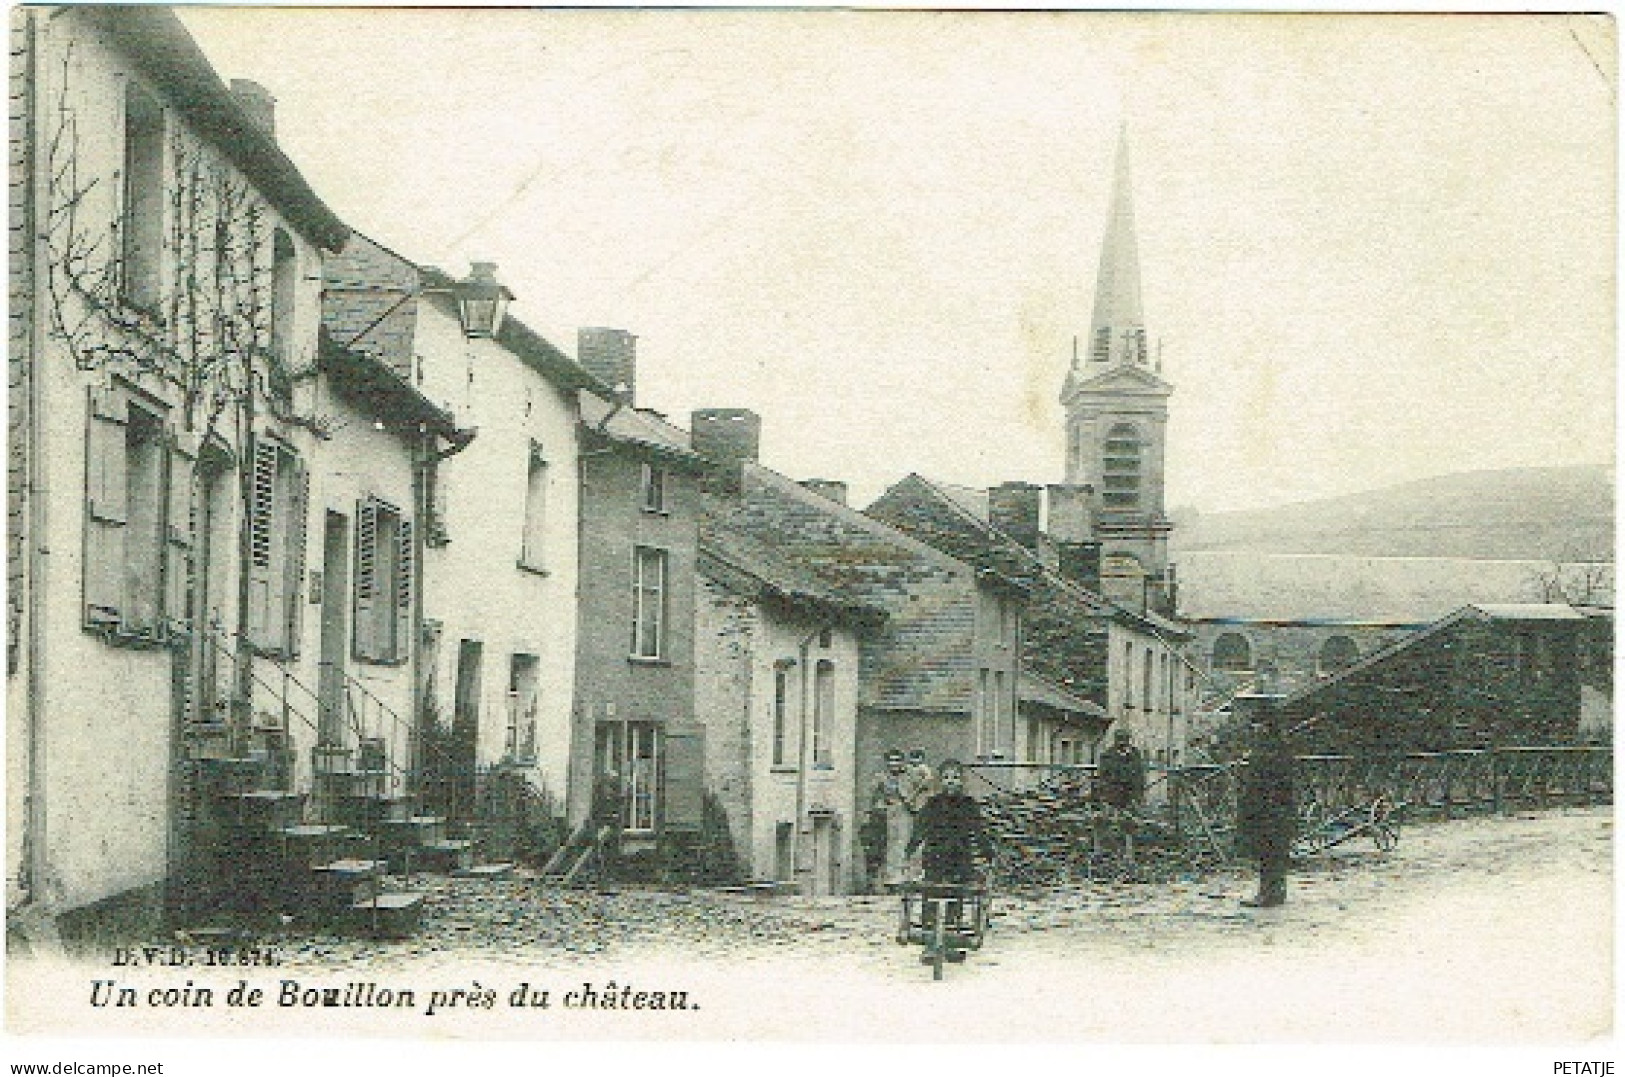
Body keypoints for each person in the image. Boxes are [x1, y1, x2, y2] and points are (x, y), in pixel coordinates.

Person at [905, 760, 994, 963]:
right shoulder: (932, 804)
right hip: (935, 857)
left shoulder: (969, 805)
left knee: (956, 896)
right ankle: (930, 943)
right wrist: (911, 848)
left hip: (959, 858)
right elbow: (920, 828)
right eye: (946, 778)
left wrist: (986, 851)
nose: (950, 782)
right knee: (931, 894)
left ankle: (951, 942)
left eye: (955, 778)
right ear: (940, 781)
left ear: (961, 781)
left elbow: (978, 831)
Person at [1235, 705, 1297, 908]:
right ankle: (1275, 893)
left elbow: (1264, 780)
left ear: (1266, 726)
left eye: (1258, 725)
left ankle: (1267, 895)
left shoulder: (1268, 750)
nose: (1255, 729)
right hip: (1276, 809)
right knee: (1274, 853)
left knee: (1269, 852)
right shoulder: (1278, 747)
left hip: (1269, 809)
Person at [869, 750, 914, 890]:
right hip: (888, 813)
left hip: (904, 813)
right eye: (891, 760)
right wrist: (881, 806)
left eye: (897, 760)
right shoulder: (881, 778)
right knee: (889, 845)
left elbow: (913, 795)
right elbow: (875, 796)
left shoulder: (908, 777)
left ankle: (903, 878)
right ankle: (889, 879)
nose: (894, 764)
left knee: (903, 843)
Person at [1096, 727, 1147, 813]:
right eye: (1120, 740)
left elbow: (1139, 775)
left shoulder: (1135, 754)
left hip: (1131, 797)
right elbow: (1103, 777)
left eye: (1125, 740)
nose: (1122, 744)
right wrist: (1105, 797)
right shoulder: (1107, 756)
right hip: (1114, 796)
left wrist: (1139, 796)